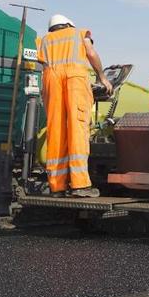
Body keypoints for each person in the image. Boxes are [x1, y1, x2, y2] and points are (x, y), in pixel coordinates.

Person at [37, 15, 111, 198]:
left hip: (50, 81)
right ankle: (80, 185)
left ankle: (57, 186)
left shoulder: (44, 40)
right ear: (69, 24)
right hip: (74, 80)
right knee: (77, 130)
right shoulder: (78, 33)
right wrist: (102, 77)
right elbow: (91, 53)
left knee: (56, 132)